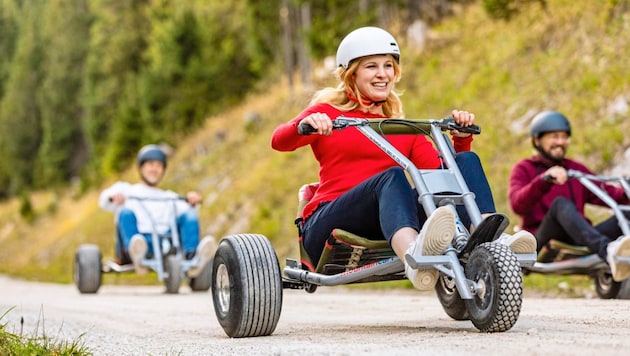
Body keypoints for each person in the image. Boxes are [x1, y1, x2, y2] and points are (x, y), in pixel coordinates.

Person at [271, 26, 535, 291]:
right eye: (371, 66)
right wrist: (305, 124)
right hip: (330, 222)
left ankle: (488, 241)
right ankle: (414, 256)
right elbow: (279, 141)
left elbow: (441, 179)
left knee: (465, 163)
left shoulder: (401, 128)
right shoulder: (329, 114)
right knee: (391, 178)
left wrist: (461, 139)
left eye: (388, 65)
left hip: (391, 220)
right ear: (351, 74)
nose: (383, 74)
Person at [509, 110, 630, 281]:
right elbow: (517, 205)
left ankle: (618, 258)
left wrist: (627, 189)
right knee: (560, 204)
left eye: (564, 137)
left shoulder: (575, 169)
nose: (561, 142)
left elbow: (611, 195)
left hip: (579, 236)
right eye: (555, 136)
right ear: (537, 140)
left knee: (627, 213)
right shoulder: (524, 168)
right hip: (542, 238)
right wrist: (544, 180)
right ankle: (608, 251)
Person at [99, 144, 215, 277]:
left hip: (164, 245)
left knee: (189, 214)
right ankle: (138, 256)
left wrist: (192, 201)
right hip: (138, 242)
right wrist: (113, 197)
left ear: (163, 170)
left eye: (159, 166)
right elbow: (104, 201)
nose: (155, 169)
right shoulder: (126, 190)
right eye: (150, 164)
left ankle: (193, 258)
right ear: (141, 167)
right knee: (125, 213)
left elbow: (189, 216)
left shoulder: (169, 196)